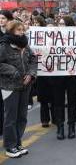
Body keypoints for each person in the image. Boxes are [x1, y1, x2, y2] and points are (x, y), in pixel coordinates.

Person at [0, 20, 36, 158]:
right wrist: (13, 71)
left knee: (22, 117)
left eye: (23, 29)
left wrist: (31, 74)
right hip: (10, 86)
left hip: (25, 86)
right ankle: (10, 146)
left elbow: (33, 59)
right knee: (11, 117)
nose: (22, 32)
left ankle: (17, 143)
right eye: (19, 30)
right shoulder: (4, 45)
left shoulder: (25, 45)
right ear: (11, 31)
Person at [51, 16, 76, 140]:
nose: (61, 26)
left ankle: (71, 127)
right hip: (58, 75)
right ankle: (60, 127)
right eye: (60, 24)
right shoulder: (53, 38)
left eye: (64, 24)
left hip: (72, 75)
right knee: (58, 101)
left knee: (72, 101)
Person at [33, 16, 55, 128]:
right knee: (43, 98)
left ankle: (55, 118)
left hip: (55, 72)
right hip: (42, 72)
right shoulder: (38, 39)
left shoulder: (58, 41)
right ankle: (45, 120)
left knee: (55, 97)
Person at [0, 10, 13, 137]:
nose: (1, 20)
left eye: (3, 18)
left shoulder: (13, 34)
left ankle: (8, 130)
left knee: (9, 105)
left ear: (9, 20)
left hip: (11, 74)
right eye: (0, 18)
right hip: (1, 72)